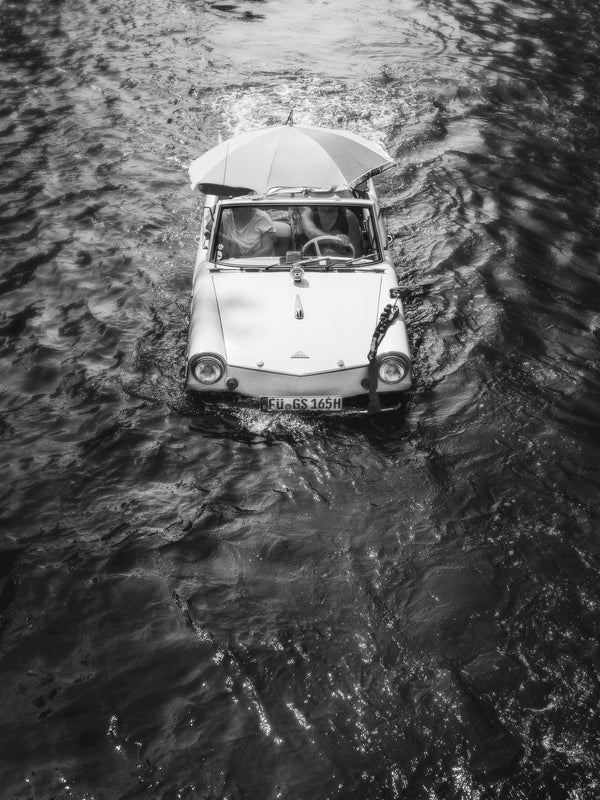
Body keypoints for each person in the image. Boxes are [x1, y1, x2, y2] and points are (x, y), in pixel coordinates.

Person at [298, 205, 363, 255]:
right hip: (307, 264)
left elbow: (356, 253)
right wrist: (337, 239)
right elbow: (310, 232)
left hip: (339, 266)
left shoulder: (349, 216)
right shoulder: (307, 212)